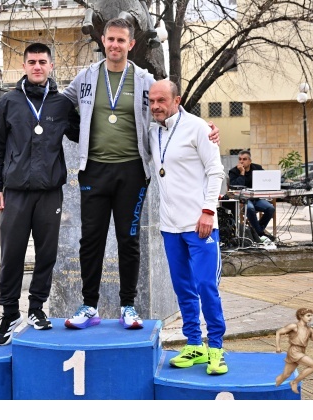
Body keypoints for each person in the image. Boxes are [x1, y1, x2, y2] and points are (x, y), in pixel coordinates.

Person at [62, 17, 220, 330]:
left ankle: (128, 306)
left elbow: (170, 105)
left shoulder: (144, 79)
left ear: (131, 44)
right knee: (90, 240)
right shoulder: (86, 77)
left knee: (129, 240)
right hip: (93, 170)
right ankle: (89, 306)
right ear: (103, 40)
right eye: (110, 39)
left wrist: (204, 127)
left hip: (132, 171)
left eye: (121, 40)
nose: (115, 45)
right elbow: (60, 102)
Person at [0, 42, 80, 345]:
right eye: (32, 62)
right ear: (24, 66)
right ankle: (9, 313)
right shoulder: (8, 102)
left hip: (50, 192)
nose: (37, 66)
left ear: (51, 66)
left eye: (42, 62)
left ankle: (37, 308)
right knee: (11, 254)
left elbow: (84, 133)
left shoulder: (62, 104)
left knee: (47, 254)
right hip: (15, 192)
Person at [147, 80, 228, 375]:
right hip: (170, 226)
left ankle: (216, 348)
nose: (156, 106)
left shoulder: (198, 128)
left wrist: (208, 211)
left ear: (177, 100)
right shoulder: (153, 131)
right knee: (183, 288)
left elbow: (216, 172)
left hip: (200, 224)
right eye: (151, 101)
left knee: (207, 286)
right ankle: (194, 344)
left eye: (161, 100)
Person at [274, 308, 313, 394]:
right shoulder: (294, 326)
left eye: (311, 316)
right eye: (308, 316)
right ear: (301, 316)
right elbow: (278, 332)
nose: (310, 318)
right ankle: (294, 382)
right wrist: (278, 346)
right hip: (294, 351)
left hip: (301, 351)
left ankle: (273, 386)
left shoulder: (309, 330)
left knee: (286, 375)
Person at [228, 150, 275, 240]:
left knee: (270, 208)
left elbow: (266, 179)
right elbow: (235, 187)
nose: (241, 161)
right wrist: (242, 173)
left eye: (244, 159)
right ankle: (260, 234)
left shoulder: (257, 168)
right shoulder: (233, 171)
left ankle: (256, 232)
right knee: (250, 208)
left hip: (256, 198)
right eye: (240, 159)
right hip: (243, 200)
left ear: (250, 161)